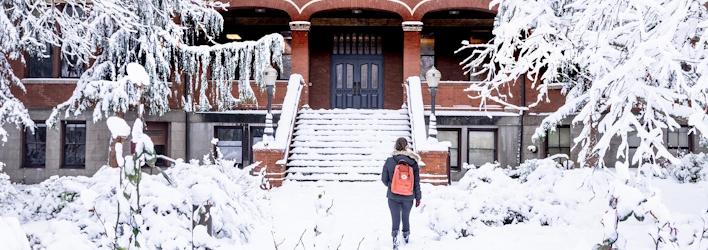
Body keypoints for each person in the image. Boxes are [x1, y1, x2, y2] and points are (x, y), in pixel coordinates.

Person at [381, 137, 421, 249]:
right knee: (405, 216)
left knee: (395, 218)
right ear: (407, 147)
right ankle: (406, 236)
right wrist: (418, 197)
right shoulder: (413, 162)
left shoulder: (389, 161)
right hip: (408, 196)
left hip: (393, 196)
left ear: (395, 146)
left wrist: (392, 185)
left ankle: (395, 239)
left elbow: (384, 179)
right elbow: (416, 182)